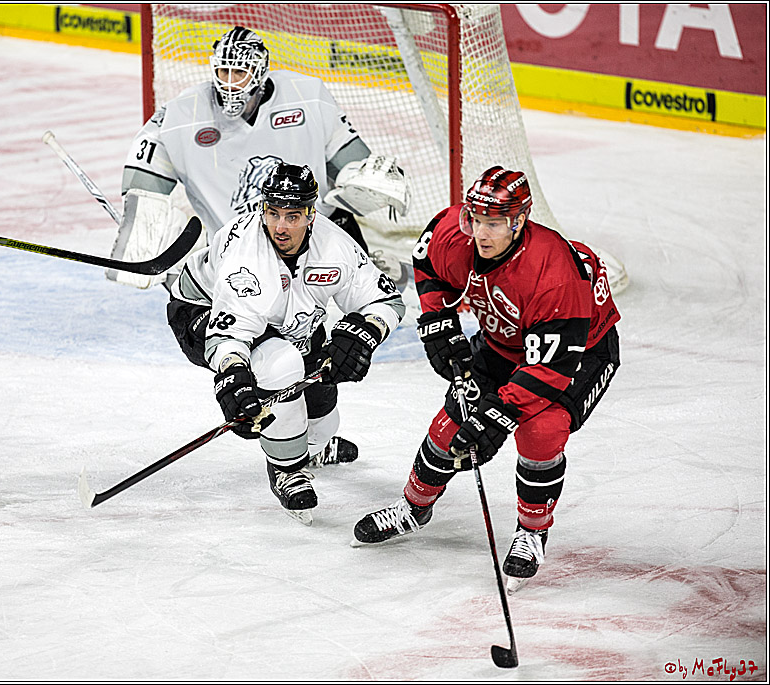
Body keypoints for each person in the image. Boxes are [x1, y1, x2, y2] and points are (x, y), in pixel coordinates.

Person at [352, 166, 621, 592]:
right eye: (475, 220)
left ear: (519, 222)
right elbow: (425, 259)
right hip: (504, 342)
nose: (481, 232)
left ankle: (532, 531)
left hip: (580, 353)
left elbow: (548, 370)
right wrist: (437, 319)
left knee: (540, 429)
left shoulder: (552, 273)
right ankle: (413, 507)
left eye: (493, 223)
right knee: (450, 425)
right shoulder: (457, 235)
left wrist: (499, 415)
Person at [167, 162, 405, 524]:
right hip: (201, 312)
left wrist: (364, 333)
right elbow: (230, 336)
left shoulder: (334, 245)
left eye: (292, 216)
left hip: (292, 320)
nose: (280, 227)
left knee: (323, 419)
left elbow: (387, 302)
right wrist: (234, 380)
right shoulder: (247, 259)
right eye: (273, 213)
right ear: (262, 208)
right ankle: (286, 469)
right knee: (281, 364)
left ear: (311, 213)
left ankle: (308, 449)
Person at [109, 25, 412, 288]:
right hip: (240, 251)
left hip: (314, 232)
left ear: (259, 71)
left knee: (363, 300)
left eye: (239, 72)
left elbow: (351, 163)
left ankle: (373, 276)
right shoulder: (180, 114)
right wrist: (141, 237)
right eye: (223, 71)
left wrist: (364, 180)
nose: (228, 82)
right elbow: (144, 181)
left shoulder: (307, 95)